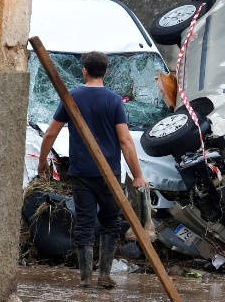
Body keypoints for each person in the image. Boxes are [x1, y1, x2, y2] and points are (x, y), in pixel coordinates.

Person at [38, 51, 147, 289]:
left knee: (85, 224)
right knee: (110, 222)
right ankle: (104, 275)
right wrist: (138, 175)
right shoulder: (114, 100)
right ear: (105, 71)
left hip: (81, 173)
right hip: (109, 174)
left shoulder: (71, 97)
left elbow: (50, 133)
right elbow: (125, 141)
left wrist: (42, 161)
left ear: (84, 71)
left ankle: (85, 278)